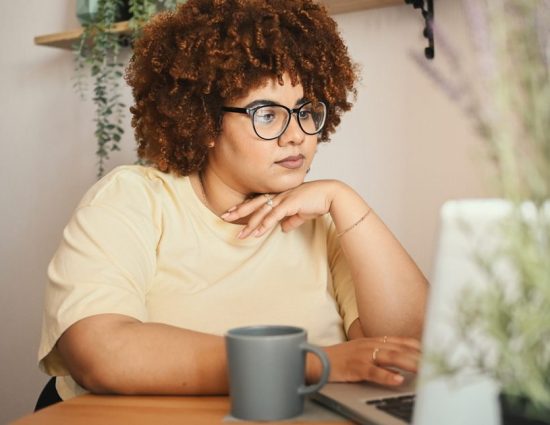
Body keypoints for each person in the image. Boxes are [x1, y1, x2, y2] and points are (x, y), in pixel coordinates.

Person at [38, 0, 428, 401]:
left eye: (306, 111)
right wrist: (311, 362)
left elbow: (405, 350)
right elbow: (99, 351)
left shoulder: (322, 220)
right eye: (267, 114)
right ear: (206, 122)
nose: (297, 135)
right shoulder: (134, 200)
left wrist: (345, 200)